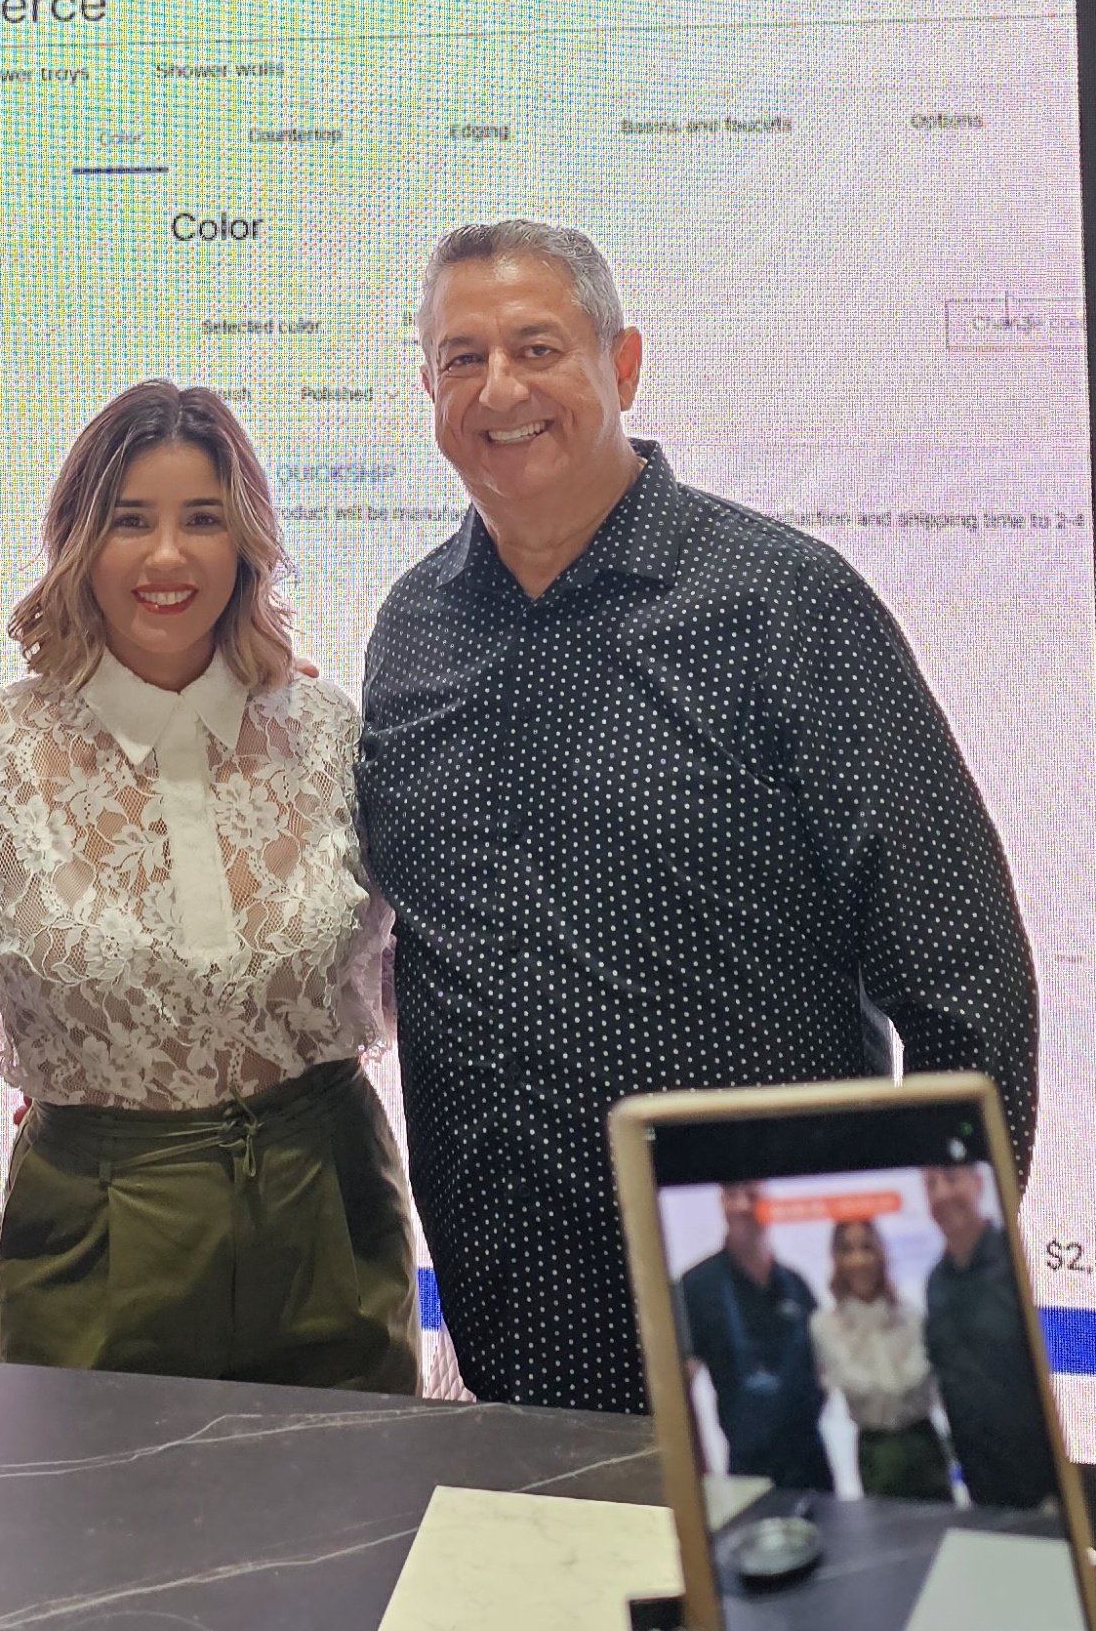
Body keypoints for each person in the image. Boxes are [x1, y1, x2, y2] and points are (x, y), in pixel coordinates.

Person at [359, 217, 1038, 1412]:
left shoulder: (784, 607)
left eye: (536, 347)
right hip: (511, 1328)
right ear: (427, 391)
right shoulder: (411, 632)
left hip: (787, 1333)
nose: (499, 388)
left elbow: (960, 985)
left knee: (813, 1559)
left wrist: (924, 1300)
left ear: (621, 366)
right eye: (462, 358)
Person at [0, 381, 419, 1390]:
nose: (167, 557)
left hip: (328, 1203)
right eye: (129, 520)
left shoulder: (326, 731)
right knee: (93, 1490)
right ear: (77, 539)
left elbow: (408, 975)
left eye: (202, 519)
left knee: (350, 1483)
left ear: (247, 542)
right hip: (95, 1219)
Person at [676, 1182, 833, 1491]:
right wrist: (699, 1476)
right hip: (748, 1475)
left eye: (752, 1195)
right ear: (721, 1202)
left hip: (813, 1468)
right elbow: (680, 1390)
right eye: (732, 1195)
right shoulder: (696, 1287)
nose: (743, 1206)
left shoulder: (796, 1284)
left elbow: (824, 1371)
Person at [920, 1161, 1058, 1508]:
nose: (942, 1193)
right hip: (981, 1486)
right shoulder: (935, 1283)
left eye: (951, 1178)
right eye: (931, 1184)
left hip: (1045, 1486)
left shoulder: (1024, 1262)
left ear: (979, 1183)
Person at [809, 1217, 953, 1501]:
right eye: (847, 1250)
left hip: (922, 1440)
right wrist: (898, 1385)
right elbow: (864, 1384)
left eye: (867, 1247)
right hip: (876, 1448)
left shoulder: (909, 1315)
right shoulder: (825, 1325)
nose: (859, 1260)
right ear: (837, 1259)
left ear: (881, 1253)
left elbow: (919, 1375)